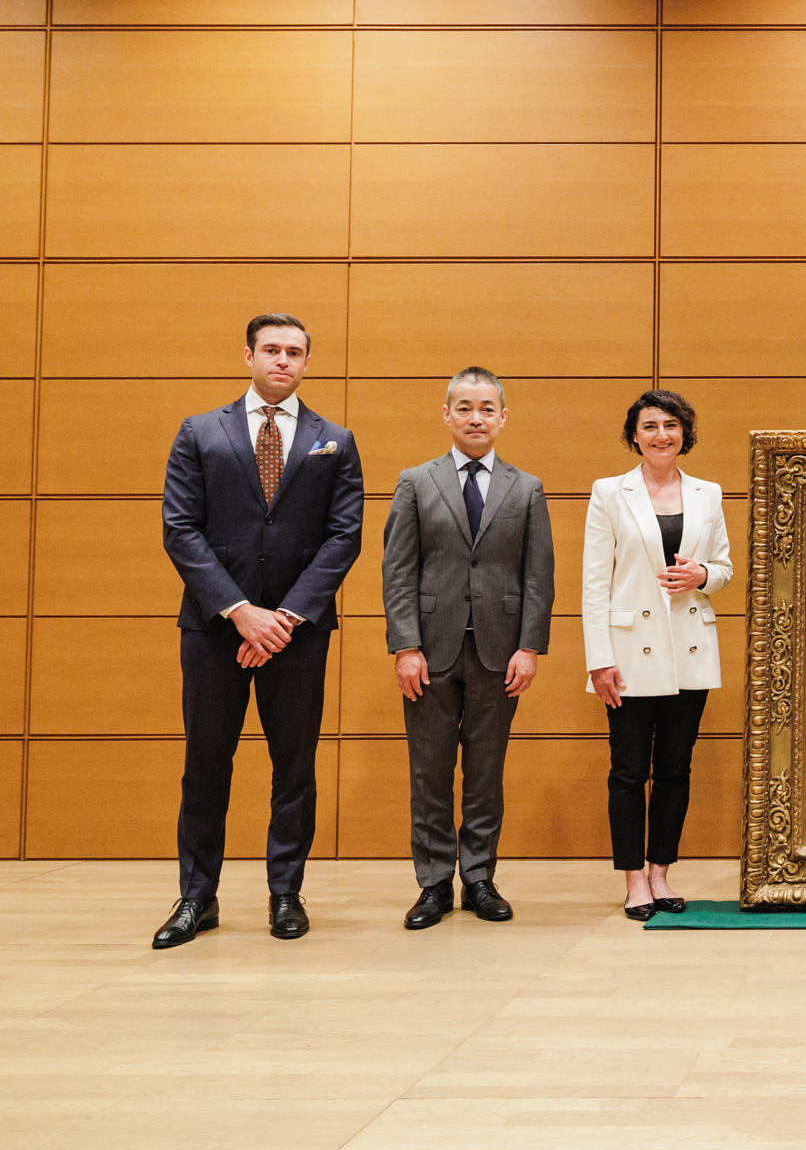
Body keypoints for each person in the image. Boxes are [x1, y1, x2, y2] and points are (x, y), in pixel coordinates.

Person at [154, 313, 363, 948]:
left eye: (294, 352)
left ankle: (286, 893)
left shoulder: (336, 440)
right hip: (217, 628)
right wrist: (241, 611)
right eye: (270, 349)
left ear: (306, 362)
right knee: (205, 764)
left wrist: (287, 617)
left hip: (299, 633)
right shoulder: (199, 432)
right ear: (247, 355)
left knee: (294, 766)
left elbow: (343, 536)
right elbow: (180, 530)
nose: (282, 360)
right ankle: (196, 898)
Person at [381, 367, 554, 930]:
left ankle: (478, 877)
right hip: (429, 653)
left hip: (500, 655)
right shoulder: (415, 481)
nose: (475, 417)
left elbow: (538, 576)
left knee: (485, 771)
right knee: (428, 771)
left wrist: (530, 647)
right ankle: (433, 883)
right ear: (446, 414)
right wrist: (405, 645)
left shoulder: (525, 488)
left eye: (486, 408)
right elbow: (398, 571)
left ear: (503, 417)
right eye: (464, 407)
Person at [582, 389, 732, 922]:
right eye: (650, 426)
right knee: (627, 771)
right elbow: (594, 582)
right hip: (627, 653)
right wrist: (598, 659)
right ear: (634, 436)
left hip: (690, 648)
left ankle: (662, 872)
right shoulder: (609, 492)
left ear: (684, 433)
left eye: (671, 425)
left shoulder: (708, 493)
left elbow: (725, 569)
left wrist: (703, 576)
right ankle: (633, 880)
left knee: (675, 768)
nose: (661, 434)